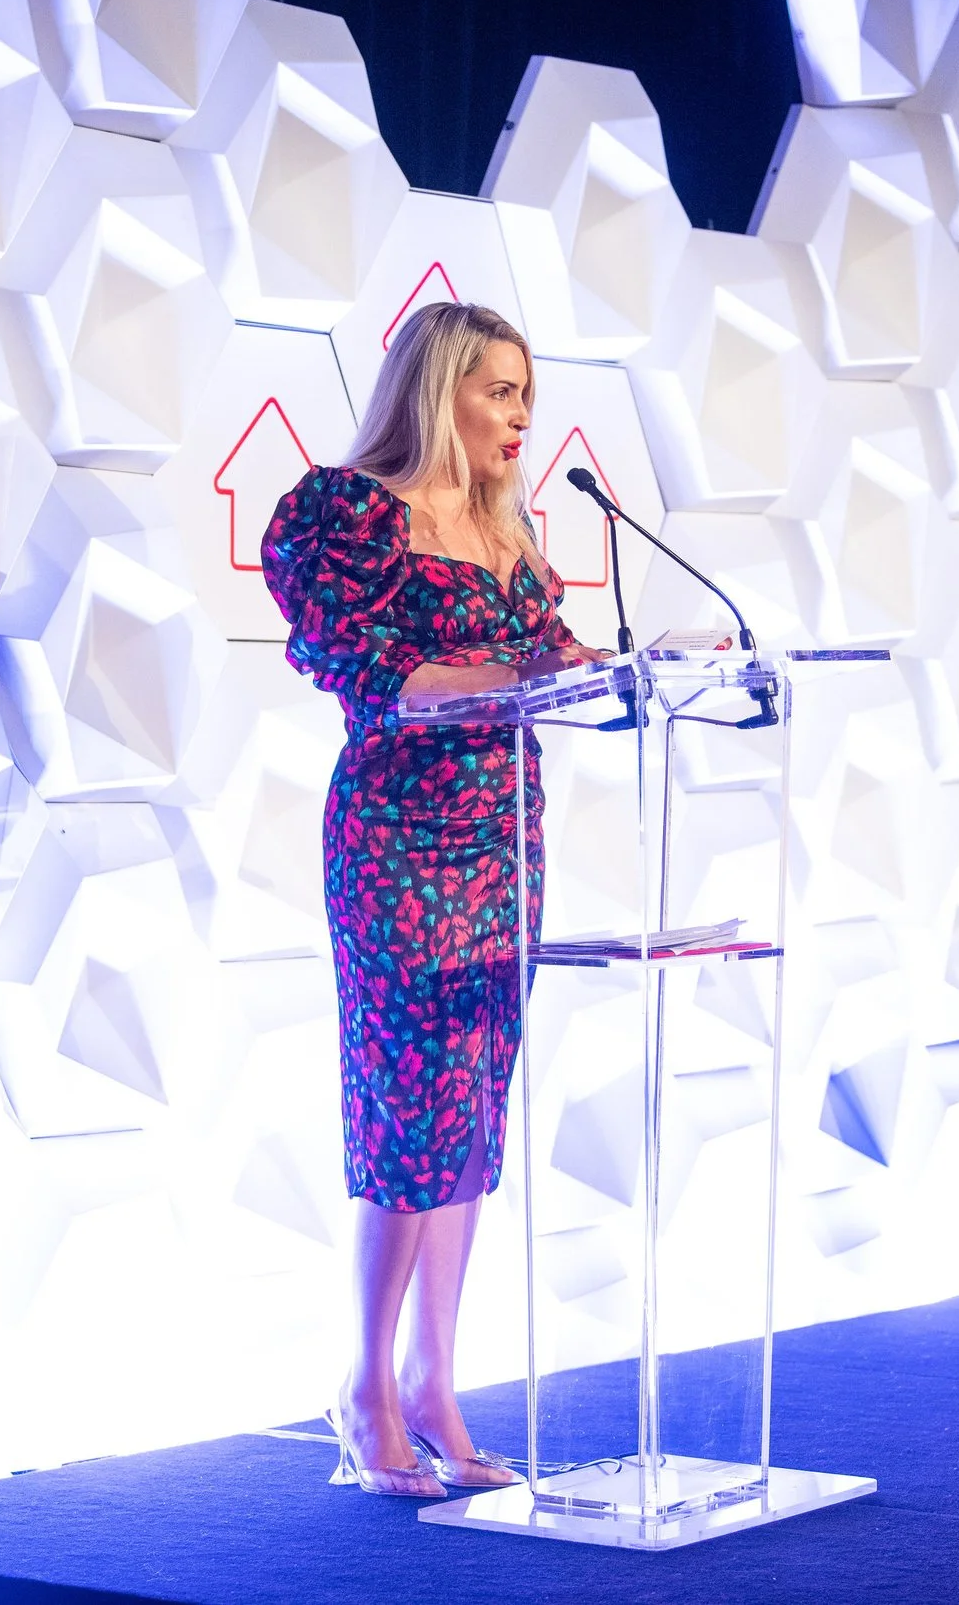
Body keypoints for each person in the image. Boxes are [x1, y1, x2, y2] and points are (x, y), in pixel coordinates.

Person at [261, 302, 604, 1498]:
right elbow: (364, 668)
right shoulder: (343, 512)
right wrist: (517, 671)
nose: (521, 416)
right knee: (409, 1103)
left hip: (506, 836)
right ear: (437, 388)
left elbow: (553, 655)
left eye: (526, 393)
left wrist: (621, 666)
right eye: (500, 391)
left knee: (469, 1110)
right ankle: (360, 1384)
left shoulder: (509, 533)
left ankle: (433, 1382)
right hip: (402, 837)